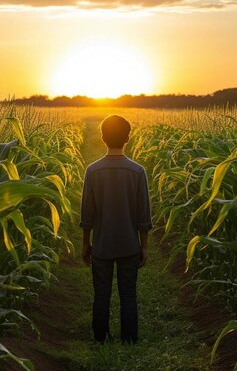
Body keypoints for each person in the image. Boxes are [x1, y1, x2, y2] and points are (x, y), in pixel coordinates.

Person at [79, 114, 152, 344]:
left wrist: (85, 243)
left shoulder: (93, 171)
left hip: (101, 246)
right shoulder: (138, 171)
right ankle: (129, 339)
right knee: (128, 294)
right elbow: (143, 214)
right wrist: (144, 246)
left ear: (102, 137)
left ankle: (100, 337)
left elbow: (87, 213)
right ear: (128, 138)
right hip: (130, 245)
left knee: (101, 294)